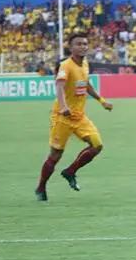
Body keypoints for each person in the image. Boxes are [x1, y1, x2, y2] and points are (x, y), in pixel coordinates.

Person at [35, 33, 112, 202]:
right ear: (71, 47)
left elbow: (86, 84)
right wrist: (63, 106)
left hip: (79, 117)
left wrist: (102, 100)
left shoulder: (84, 64)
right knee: (55, 155)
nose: (83, 46)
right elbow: (60, 85)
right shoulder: (66, 66)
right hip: (62, 117)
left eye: (85, 43)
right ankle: (41, 187)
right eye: (79, 44)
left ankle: (70, 171)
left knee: (97, 145)